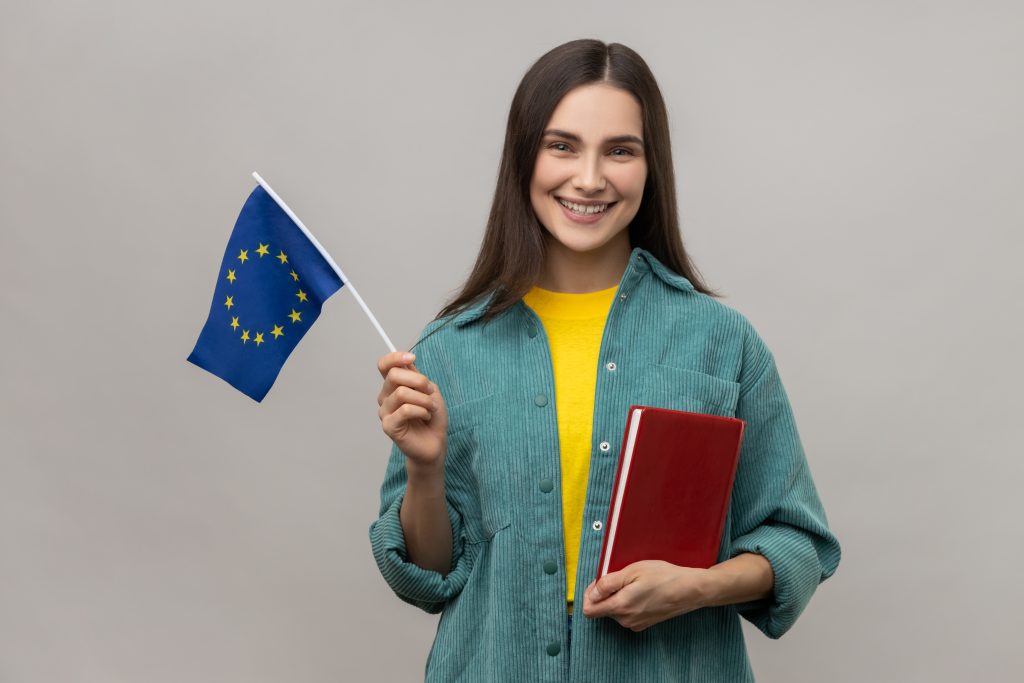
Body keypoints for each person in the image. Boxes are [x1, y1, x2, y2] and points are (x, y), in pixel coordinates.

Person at [369, 38, 841, 682]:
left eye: (620, 150)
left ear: (651, 167)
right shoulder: (451, 348)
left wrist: (696, 587)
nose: (589, 179)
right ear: (523, 156)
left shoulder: (720, 342)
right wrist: (424, 472)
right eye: (561, 145)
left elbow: (797, 540)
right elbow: (426, 576)